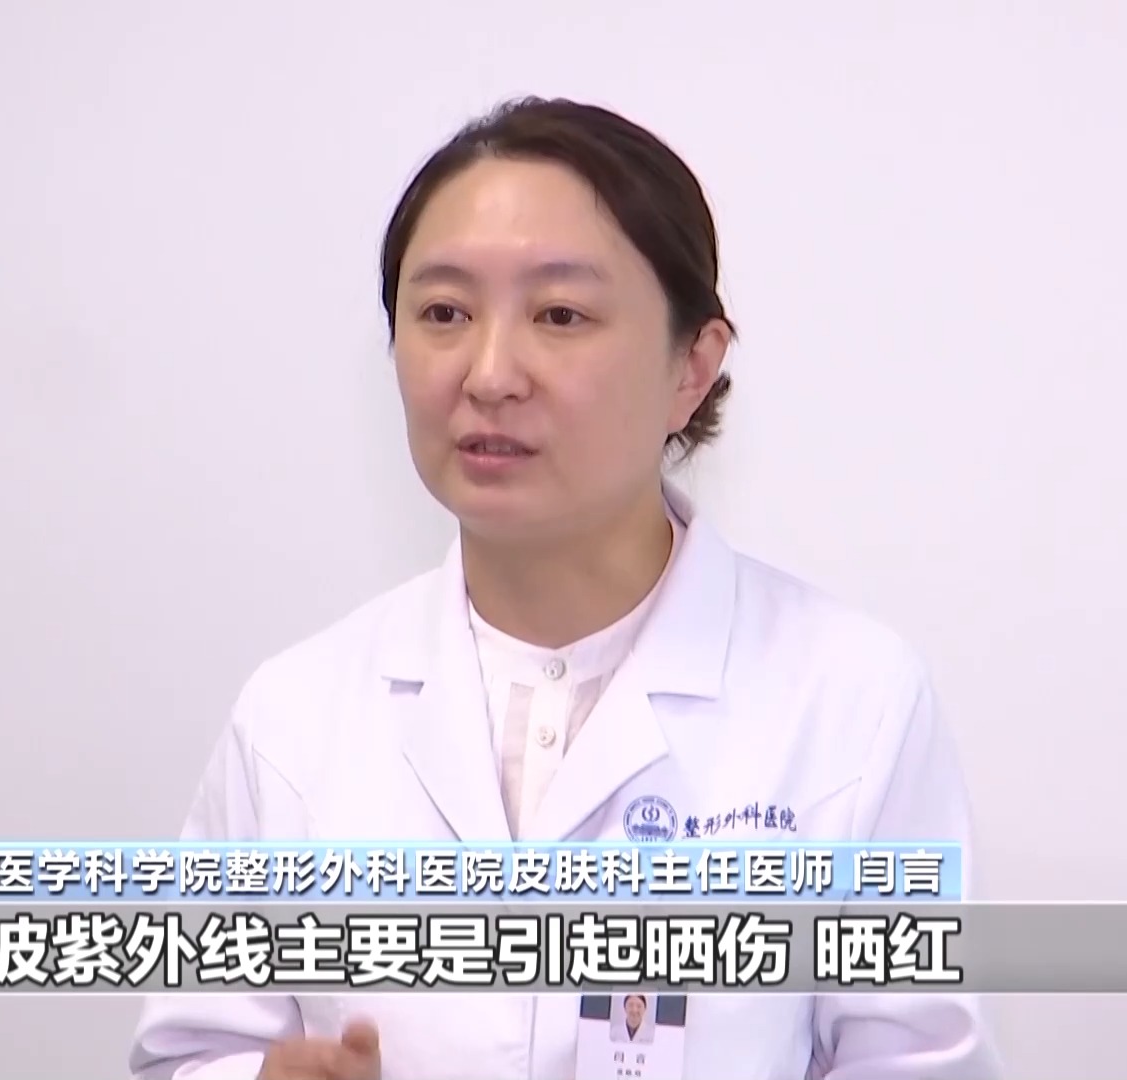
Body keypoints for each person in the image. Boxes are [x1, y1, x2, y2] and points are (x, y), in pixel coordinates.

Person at [129, 96, 999, 1080]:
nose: (490, 374)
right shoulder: (294, 718)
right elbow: (192, 1052)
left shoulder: (849, 702)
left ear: (692, 367)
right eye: (444, 313)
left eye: (560, 316)